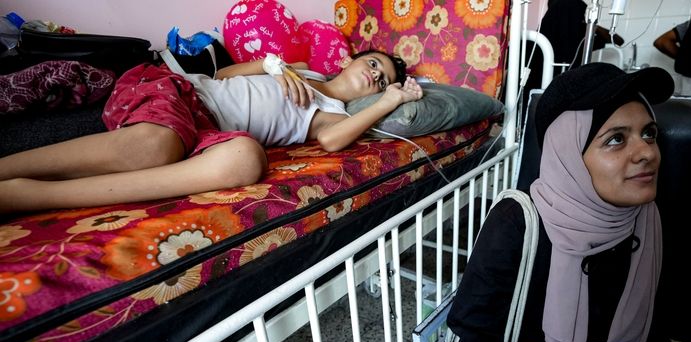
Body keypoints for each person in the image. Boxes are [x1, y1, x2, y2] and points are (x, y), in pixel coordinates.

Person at [447, 62, 691, 342]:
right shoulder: (516, 224)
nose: (647, 153)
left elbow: (652, 316)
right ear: (569, 155)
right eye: (615, 139)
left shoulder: (647, 220)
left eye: (649, 134)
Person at [0, 49, 421, 214]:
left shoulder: (335, 113)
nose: (375, 77)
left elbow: (330, 141)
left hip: (205, 132)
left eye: (382, 80)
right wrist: (274, 65)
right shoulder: (304, 70)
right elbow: (223, 72)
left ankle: (33, 196)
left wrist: (391, 102)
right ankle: (11, 178)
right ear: (350, 59)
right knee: (157, 144)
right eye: (372, 65)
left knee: (246, 157)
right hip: (181, 95)